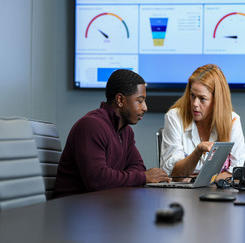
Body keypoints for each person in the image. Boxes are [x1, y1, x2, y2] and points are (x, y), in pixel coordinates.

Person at [54, 69, 170, 198]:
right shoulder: (91, 126)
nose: (145, 107)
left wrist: (122, 177)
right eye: (140, 100)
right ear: (120, 100)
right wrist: (143, 177)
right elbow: (97, 180)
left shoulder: (126, 132)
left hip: (101, 204)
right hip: (72, 209)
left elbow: (138, 167)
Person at [160, 64, 245, 181]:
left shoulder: (232, 120)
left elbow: (238, 174)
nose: (195, 103)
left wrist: (195, 180)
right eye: (192, 96)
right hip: (182, 195)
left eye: (202, 99)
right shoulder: (174, 117)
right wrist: (197, 152)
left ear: (217, 101)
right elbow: (174, 174)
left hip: (219, 195)